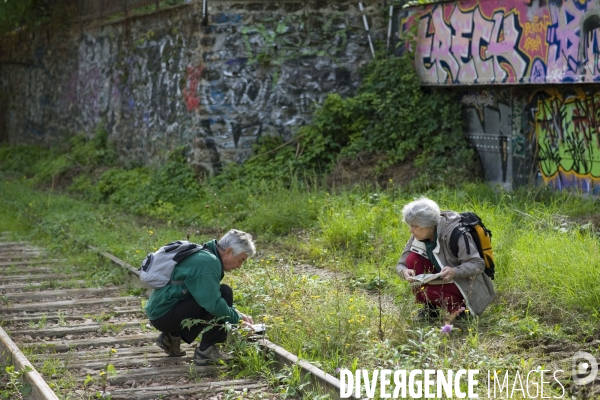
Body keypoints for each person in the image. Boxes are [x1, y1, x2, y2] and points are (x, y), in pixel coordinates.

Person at [145, 229, 256, 365]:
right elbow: (214, 304)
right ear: (228, 251)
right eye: (241, 260)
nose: (239, 266)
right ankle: (207, 351)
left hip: (162, 311)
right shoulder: (208, 262)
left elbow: (208, 292)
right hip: (163, 315)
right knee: (225, 293)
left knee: (221, 294)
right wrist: (237, 320)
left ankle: (172, 336)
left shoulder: (205, 253)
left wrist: (237, 313)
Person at [395, 197, 495, 319]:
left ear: (429, 225)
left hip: (464, 283)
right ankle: (430, 310)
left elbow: (477, 264)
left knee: (426, 291)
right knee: (412, 259)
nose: (411, 230)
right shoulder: (418, 235)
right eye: (410, 226)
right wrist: (404, 271)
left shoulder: (457, 233)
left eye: (414, 226)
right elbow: (401, 264)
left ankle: (461, 312)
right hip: (443, 278)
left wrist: (454, 271)